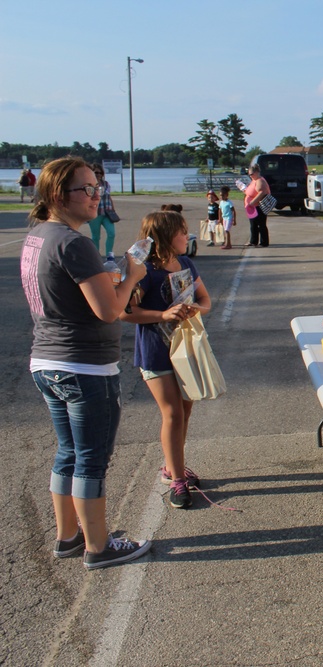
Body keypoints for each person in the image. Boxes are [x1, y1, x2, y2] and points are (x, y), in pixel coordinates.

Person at [20, 157, 152, 570]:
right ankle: (98, 546)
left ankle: (69, 536)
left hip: (47, 360)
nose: (97, 197)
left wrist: (107, 275)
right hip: (84, 366)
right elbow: (108, 311)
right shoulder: (73, 242)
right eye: (87, 190)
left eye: (98, 188)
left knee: (68, 453)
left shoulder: (39, 235)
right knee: (92, 458)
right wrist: (131, 276)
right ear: (59, 196)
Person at [121, 210, 213, 509]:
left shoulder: (185, 263)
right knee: (172, 413)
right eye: (182, 232)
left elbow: (205, 301)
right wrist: (162, 314)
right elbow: (124, 311)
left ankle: (174, 465)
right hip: (155, 352)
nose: (188, 236)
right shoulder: (144, 270)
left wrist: (192, 310)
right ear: (164, 236)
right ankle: (176, 480)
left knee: (185, 411)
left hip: (185, 351)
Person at [86, 165, 117, 261]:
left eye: (100, 173)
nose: (98, 174)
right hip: (95, 213)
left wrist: (113, 209)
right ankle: (96, 257)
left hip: (107, 212)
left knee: (111, 233)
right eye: (96, 172)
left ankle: (109, 256)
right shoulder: (89, 185)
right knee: (96, 236)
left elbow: (109, 196)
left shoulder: (106, 184)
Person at [244, 163, 271, 248]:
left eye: (251, 174)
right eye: (249, 174)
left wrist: (252, 202)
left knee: (261, 224)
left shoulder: (260, 180)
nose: (250, 176)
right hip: (253, 207)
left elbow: (262, 192)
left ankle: (264, 242)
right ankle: (253, 241)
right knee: (253, 225)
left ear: (257, 172)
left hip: (259, 206)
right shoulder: (254, 180)